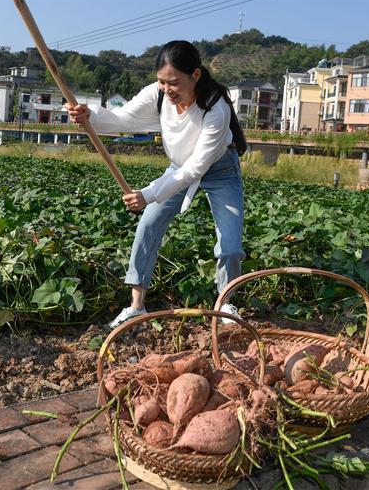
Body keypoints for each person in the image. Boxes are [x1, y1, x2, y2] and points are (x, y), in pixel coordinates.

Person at [68, 40, 247, 329]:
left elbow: (196, 167)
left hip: (220, 170)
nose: (167, 89)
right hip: (178, 168)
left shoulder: (216, 107)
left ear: (196, 75)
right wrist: (91, 115)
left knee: (230, 245)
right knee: (148, 226)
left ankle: (225, 305)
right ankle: (136, 306)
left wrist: (149, 194)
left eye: (174, 83)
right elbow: (123, 119)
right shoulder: (158, 94)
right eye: (162, 81)